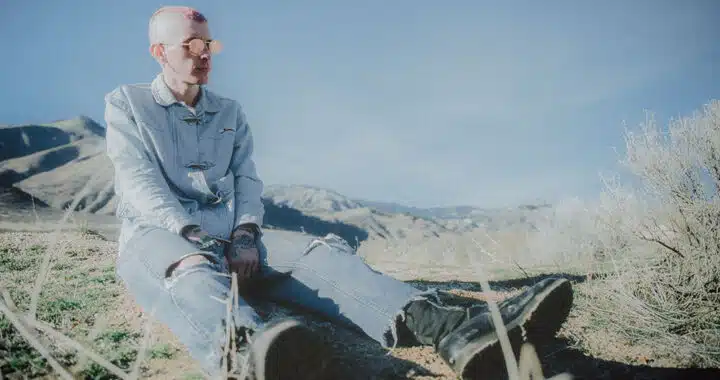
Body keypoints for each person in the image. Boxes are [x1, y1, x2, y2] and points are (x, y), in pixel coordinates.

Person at [104, 6, 574, 380]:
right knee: (189, 270)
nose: (205, 53)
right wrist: (188, 232)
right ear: (159, 52)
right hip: (159, 235)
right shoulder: (127, 104)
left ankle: (450, 329)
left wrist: (245, 232)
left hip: (232, 234)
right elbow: (136, 180)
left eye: (209, 43)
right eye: (192, 44)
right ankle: (249, 353)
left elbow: (247, 179)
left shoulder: (230, 111)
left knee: (319, 253)